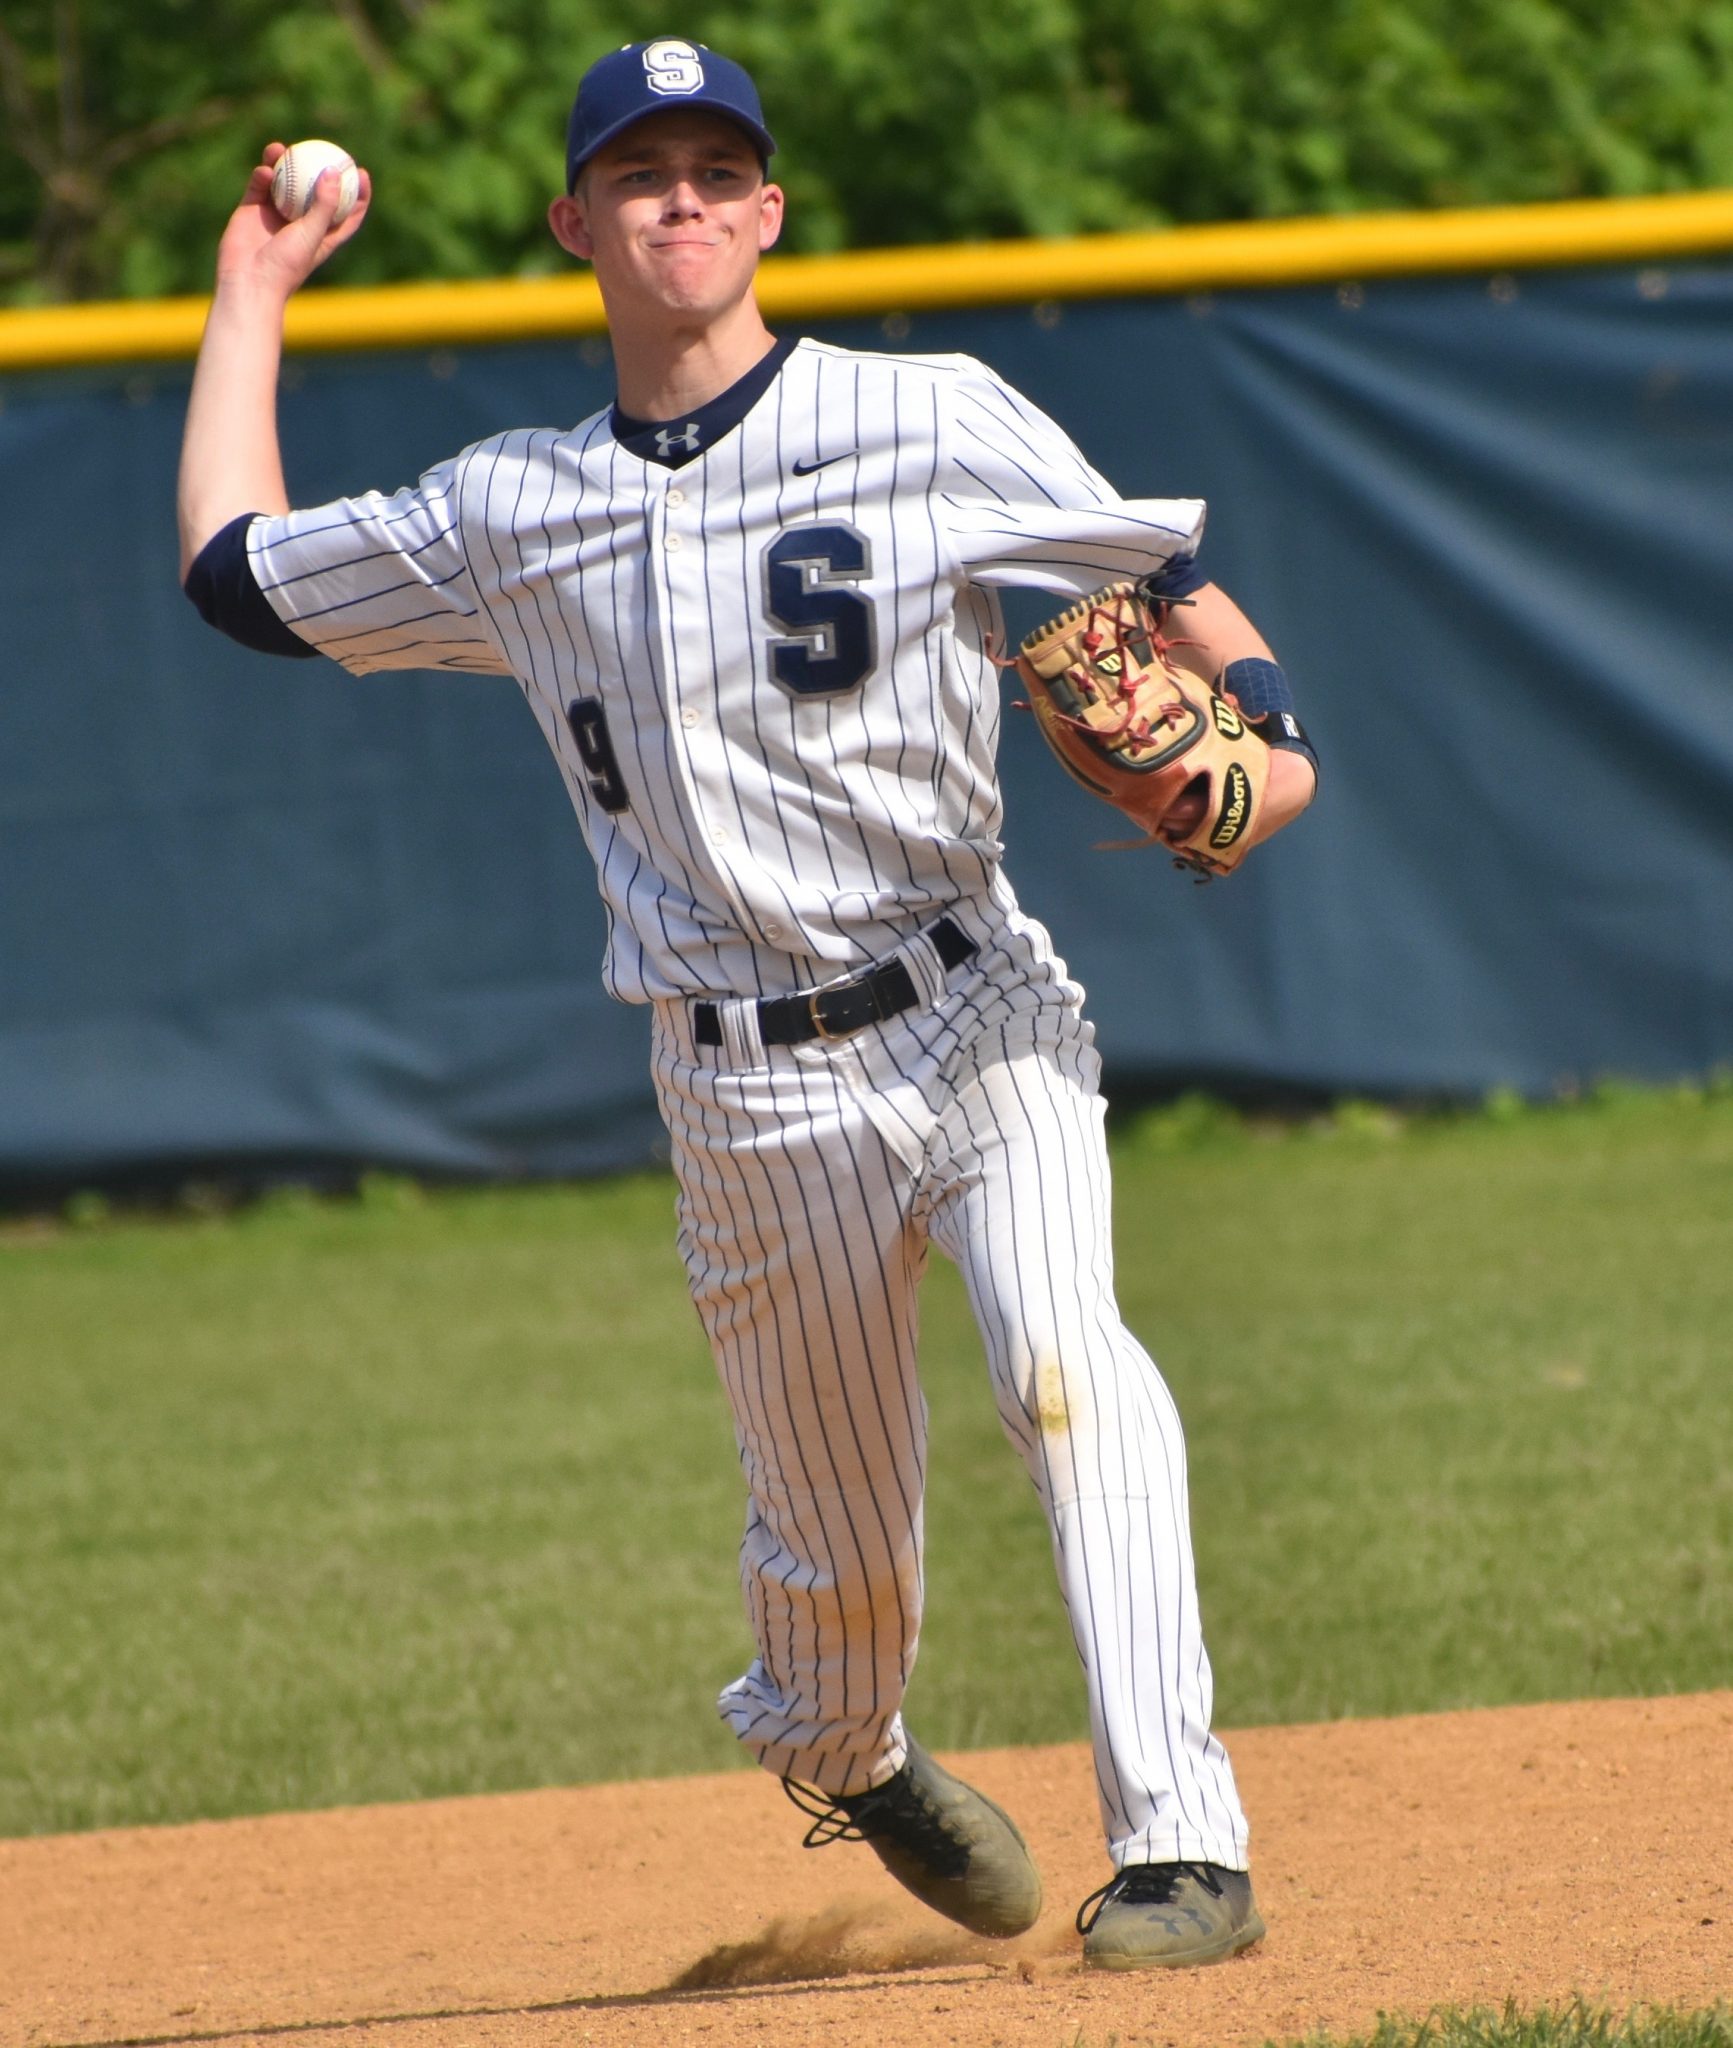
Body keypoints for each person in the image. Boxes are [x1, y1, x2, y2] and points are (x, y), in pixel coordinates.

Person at [178, 37, 1318, 1970]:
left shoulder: (933, 411)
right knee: (836, 1553)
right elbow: (234, 576)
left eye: (719, 168)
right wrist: (249, 295)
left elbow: (1167, 571)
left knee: (1070, 1367)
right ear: (576, 225)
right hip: (739, 1087)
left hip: (974, 1008)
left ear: (771, 211)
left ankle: (1179, 1848)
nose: (683, 198)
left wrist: (1268, 741)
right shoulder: (506, 507)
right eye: (642, 174)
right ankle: (844, 1750)